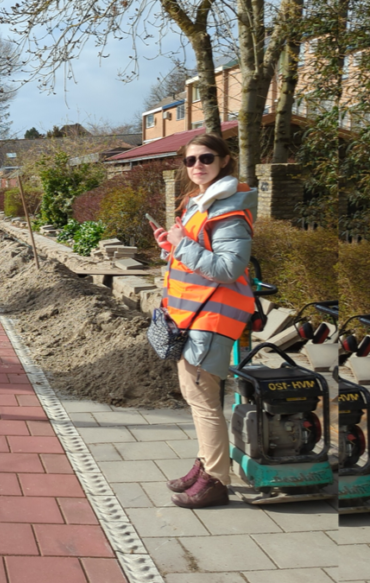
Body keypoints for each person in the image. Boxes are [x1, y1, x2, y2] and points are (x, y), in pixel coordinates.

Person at [152, 134, 256, 509]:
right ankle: (206, 463)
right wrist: (172, 246)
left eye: (206, 158)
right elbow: (199, 257)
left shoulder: (225, 209)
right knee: (197, 396)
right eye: (190, 160)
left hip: (212, 316)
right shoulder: (202, 203)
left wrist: (181, 245)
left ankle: (215, 481)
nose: (197, 165)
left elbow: (229, 267)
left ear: (225, 160)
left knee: (204, 400)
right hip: (195, 314)